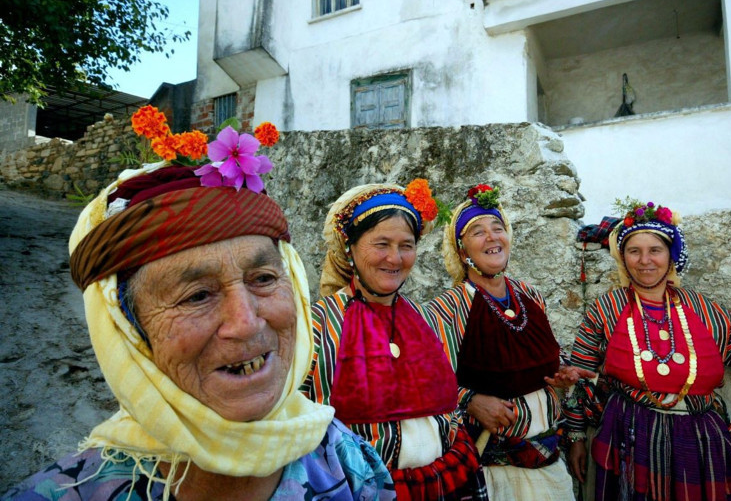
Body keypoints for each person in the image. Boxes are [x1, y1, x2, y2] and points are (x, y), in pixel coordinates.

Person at [3, 119, 394, 500]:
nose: (245, 323)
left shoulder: (352, 466)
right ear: (127, 329)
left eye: (263, 279)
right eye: (196, 296)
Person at [563, 199, 731, 501]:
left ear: (670, 256)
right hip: (629, 435)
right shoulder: (608, 308)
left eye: (655, 250)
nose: (645, 260)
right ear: (624, 258)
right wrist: (576, 437)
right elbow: (579, 375)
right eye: (634, 251)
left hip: (697, 440)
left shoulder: (701, 308)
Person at [300, 182, 489, 501]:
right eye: (381, 244)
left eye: (406, 245)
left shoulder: (427, 317)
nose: (395, 258)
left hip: (448, 483)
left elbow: (447, 403)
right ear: (350, 248)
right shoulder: (315, 325)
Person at [425, 184, 593, 500]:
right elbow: (430, 385)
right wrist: (470, 400)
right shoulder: (447, 309)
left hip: (549, 461)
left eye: (497, 228)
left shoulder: (531, 296)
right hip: (491, 470)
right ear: (461, 250)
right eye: (477, 232)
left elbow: (553, 364)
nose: (491, 237)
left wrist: (563, 381)